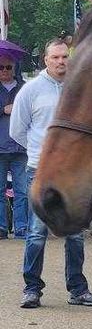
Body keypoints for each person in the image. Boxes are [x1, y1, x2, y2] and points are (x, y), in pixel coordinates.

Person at [10, 39, 92, 309]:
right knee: (36, 232)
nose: (61, 61)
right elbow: (17, 130)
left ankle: (78, 289)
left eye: (65, 57)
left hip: (74, 172)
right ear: (46, 60)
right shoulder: (31, 90)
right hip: (40, 170)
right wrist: (42, 153)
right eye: (55, 57)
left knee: (75, 233)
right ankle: (31, 289)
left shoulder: (80, 88)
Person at [0, 52, 28, 239]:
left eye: (8, 67)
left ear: (14, 68)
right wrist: (3, 109)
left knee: (22, 191)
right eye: (0, 67)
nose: (4, 70)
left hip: (21, 148)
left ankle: (22, 227)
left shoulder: (25, 88)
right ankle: (1, 228)